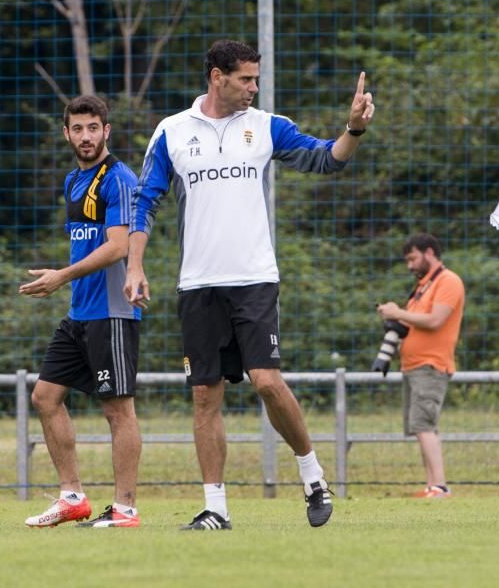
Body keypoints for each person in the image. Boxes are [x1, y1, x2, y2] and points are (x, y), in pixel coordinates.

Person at [124, 39, 374, 530]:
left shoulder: (266, 127)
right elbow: (144, 203)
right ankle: (216, 508)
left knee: (266, 381)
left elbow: (325, 159)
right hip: (198, 283)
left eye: (256, 79)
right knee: (204, 395)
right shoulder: (172, 131)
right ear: (217, 77)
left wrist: (354, 130)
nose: (253, 88)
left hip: (255, 279)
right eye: (245, 79)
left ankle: (312, 475)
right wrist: (135, 266)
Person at [21, 95, 143, 528]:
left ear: (106, 131)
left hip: (111, 314)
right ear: (66, 133)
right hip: (80, 314)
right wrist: (66, 280)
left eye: (94, 128)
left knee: (117, 410)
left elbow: (117, 246)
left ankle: (126, 509)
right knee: (45, 397)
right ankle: (72, 497)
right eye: (78, 128)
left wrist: (61, 276)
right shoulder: (73, 181)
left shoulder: (119, 178)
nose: (86, 136)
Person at [377, 234, 466, 498]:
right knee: (421, 427)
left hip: (431, 365)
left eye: (413, 258)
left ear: (429, 253)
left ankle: (439, 486)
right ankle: (432, 486)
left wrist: (397, 312)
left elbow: (435, 320)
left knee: (425, 425)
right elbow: (412, 323)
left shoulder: (448, 281)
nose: (410, 265)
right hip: (413, 366)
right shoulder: (422, 287)